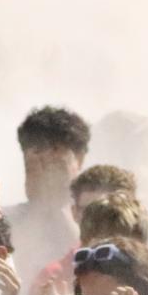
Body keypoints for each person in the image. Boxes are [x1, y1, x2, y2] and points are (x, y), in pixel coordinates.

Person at [9, 106, 92, 281]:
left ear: (79, 160)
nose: (44, 174)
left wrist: (58, 209)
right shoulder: (7, 221)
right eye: (33, 167)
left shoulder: (98, 216)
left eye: (55, 165)